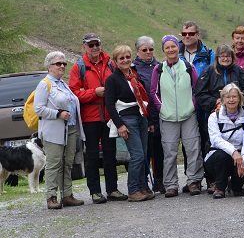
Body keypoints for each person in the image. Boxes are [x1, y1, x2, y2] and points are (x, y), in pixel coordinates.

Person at [69, 33, 127, 204]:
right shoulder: (78, 67)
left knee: (110, 155)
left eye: (97, 44)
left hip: (109, 116)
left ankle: (112, 189)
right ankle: (95, 192)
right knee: (93, 155)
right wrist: (94, 93)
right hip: (90, 118)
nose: (95, 47)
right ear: (84, 47)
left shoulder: (110, 62)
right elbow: (74, 93)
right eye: (91, 45)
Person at [150, 35, 203, 198]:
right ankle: (171, 185)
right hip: (167, 118)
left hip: (188, 116)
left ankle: (194, 181)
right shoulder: (158, 69)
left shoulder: (188, 67)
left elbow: (197, 88)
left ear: (177, 48)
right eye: (167, 47)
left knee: (193, 149)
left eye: (173, 46)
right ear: (164, 50)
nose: (171, 50)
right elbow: (153, 92)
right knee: (170, 152)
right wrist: (162, 108)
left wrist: (192, 106)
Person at [195, 44, 244, 194]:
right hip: (214, 114)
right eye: (221, 56)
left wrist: (235, 100)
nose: (225, 58)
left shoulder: (239, 71)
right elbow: (200, 93)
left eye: (228, 56)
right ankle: (214, 181)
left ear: (232, 57)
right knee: (216, 149)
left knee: (241, 146)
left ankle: (239, 180)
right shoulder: (209, 71)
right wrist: (215, 102)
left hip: (237, 115)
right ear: (217, 58)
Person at [34, 51, 85, 209]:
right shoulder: (45, 84)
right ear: (49, 67)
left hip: (69, 130)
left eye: (64, 63)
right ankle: (51, 197)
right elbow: (38, 109)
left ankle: (67, 195)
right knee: (54, 163)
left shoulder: (63, 84)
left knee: (67, 163)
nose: (62, 66)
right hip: (53, 132)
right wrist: (58, 114)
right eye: (58, 63)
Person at [105, 45, 154, 202]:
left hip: (141, 117)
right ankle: (133, 189)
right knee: (137, 155)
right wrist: (120, 125)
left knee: (144, 153)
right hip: (127, 119)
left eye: (127, 57)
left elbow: (144, 99)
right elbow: (110, 105)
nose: (125, 60)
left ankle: (143, 187)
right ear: (115, 61)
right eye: (121, 58)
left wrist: (149, 120)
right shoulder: (112, 80)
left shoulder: (134, 76)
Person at [178, 21, 215, 190]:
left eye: (191, 34)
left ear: (198, 35)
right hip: (186, 106)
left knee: (208, 141)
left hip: (205, 105)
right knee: (189, 145)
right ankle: (193, 180)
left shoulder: (208, 54)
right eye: (184, 34)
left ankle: (211, 178)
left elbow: (215, 77)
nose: (187, 37)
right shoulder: (175, 54)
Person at [204, 83, 244, 199]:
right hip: (217, 155)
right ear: (222, 99)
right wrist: (234, 152)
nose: (231, 100)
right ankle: (220, 187)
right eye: (227, 97)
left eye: (234, 96)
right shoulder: (214, 117)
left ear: (240, 98)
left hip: (239, 156)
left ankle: (236, 186)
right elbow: (216, 140)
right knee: (222, 156)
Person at [132, 36, 164, 194]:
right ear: (137, 51)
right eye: (144, 50)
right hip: (143, 115)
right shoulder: (133, 69)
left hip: (161, 114)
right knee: (145, 150)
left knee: (159, 149)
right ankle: (142, 182)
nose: (148, 52)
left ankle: (159, 181)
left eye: (151, 49)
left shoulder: (160, 66)